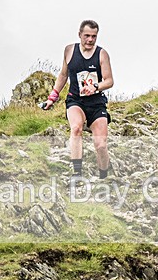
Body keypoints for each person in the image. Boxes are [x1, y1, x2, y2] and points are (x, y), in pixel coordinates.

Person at [40, 19, 114, 181]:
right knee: (76, 129)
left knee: (100, 145)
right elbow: (63, 75)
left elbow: (109, 81)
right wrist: (53, 97)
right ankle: (77, 174)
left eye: (94, 36)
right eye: (87, 36)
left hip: (96, 103)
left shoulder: (102, 54)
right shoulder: (69, 51)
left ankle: (104, 177)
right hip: (76, 101)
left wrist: (95, 87)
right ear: (79, 34)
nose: (90, 40)